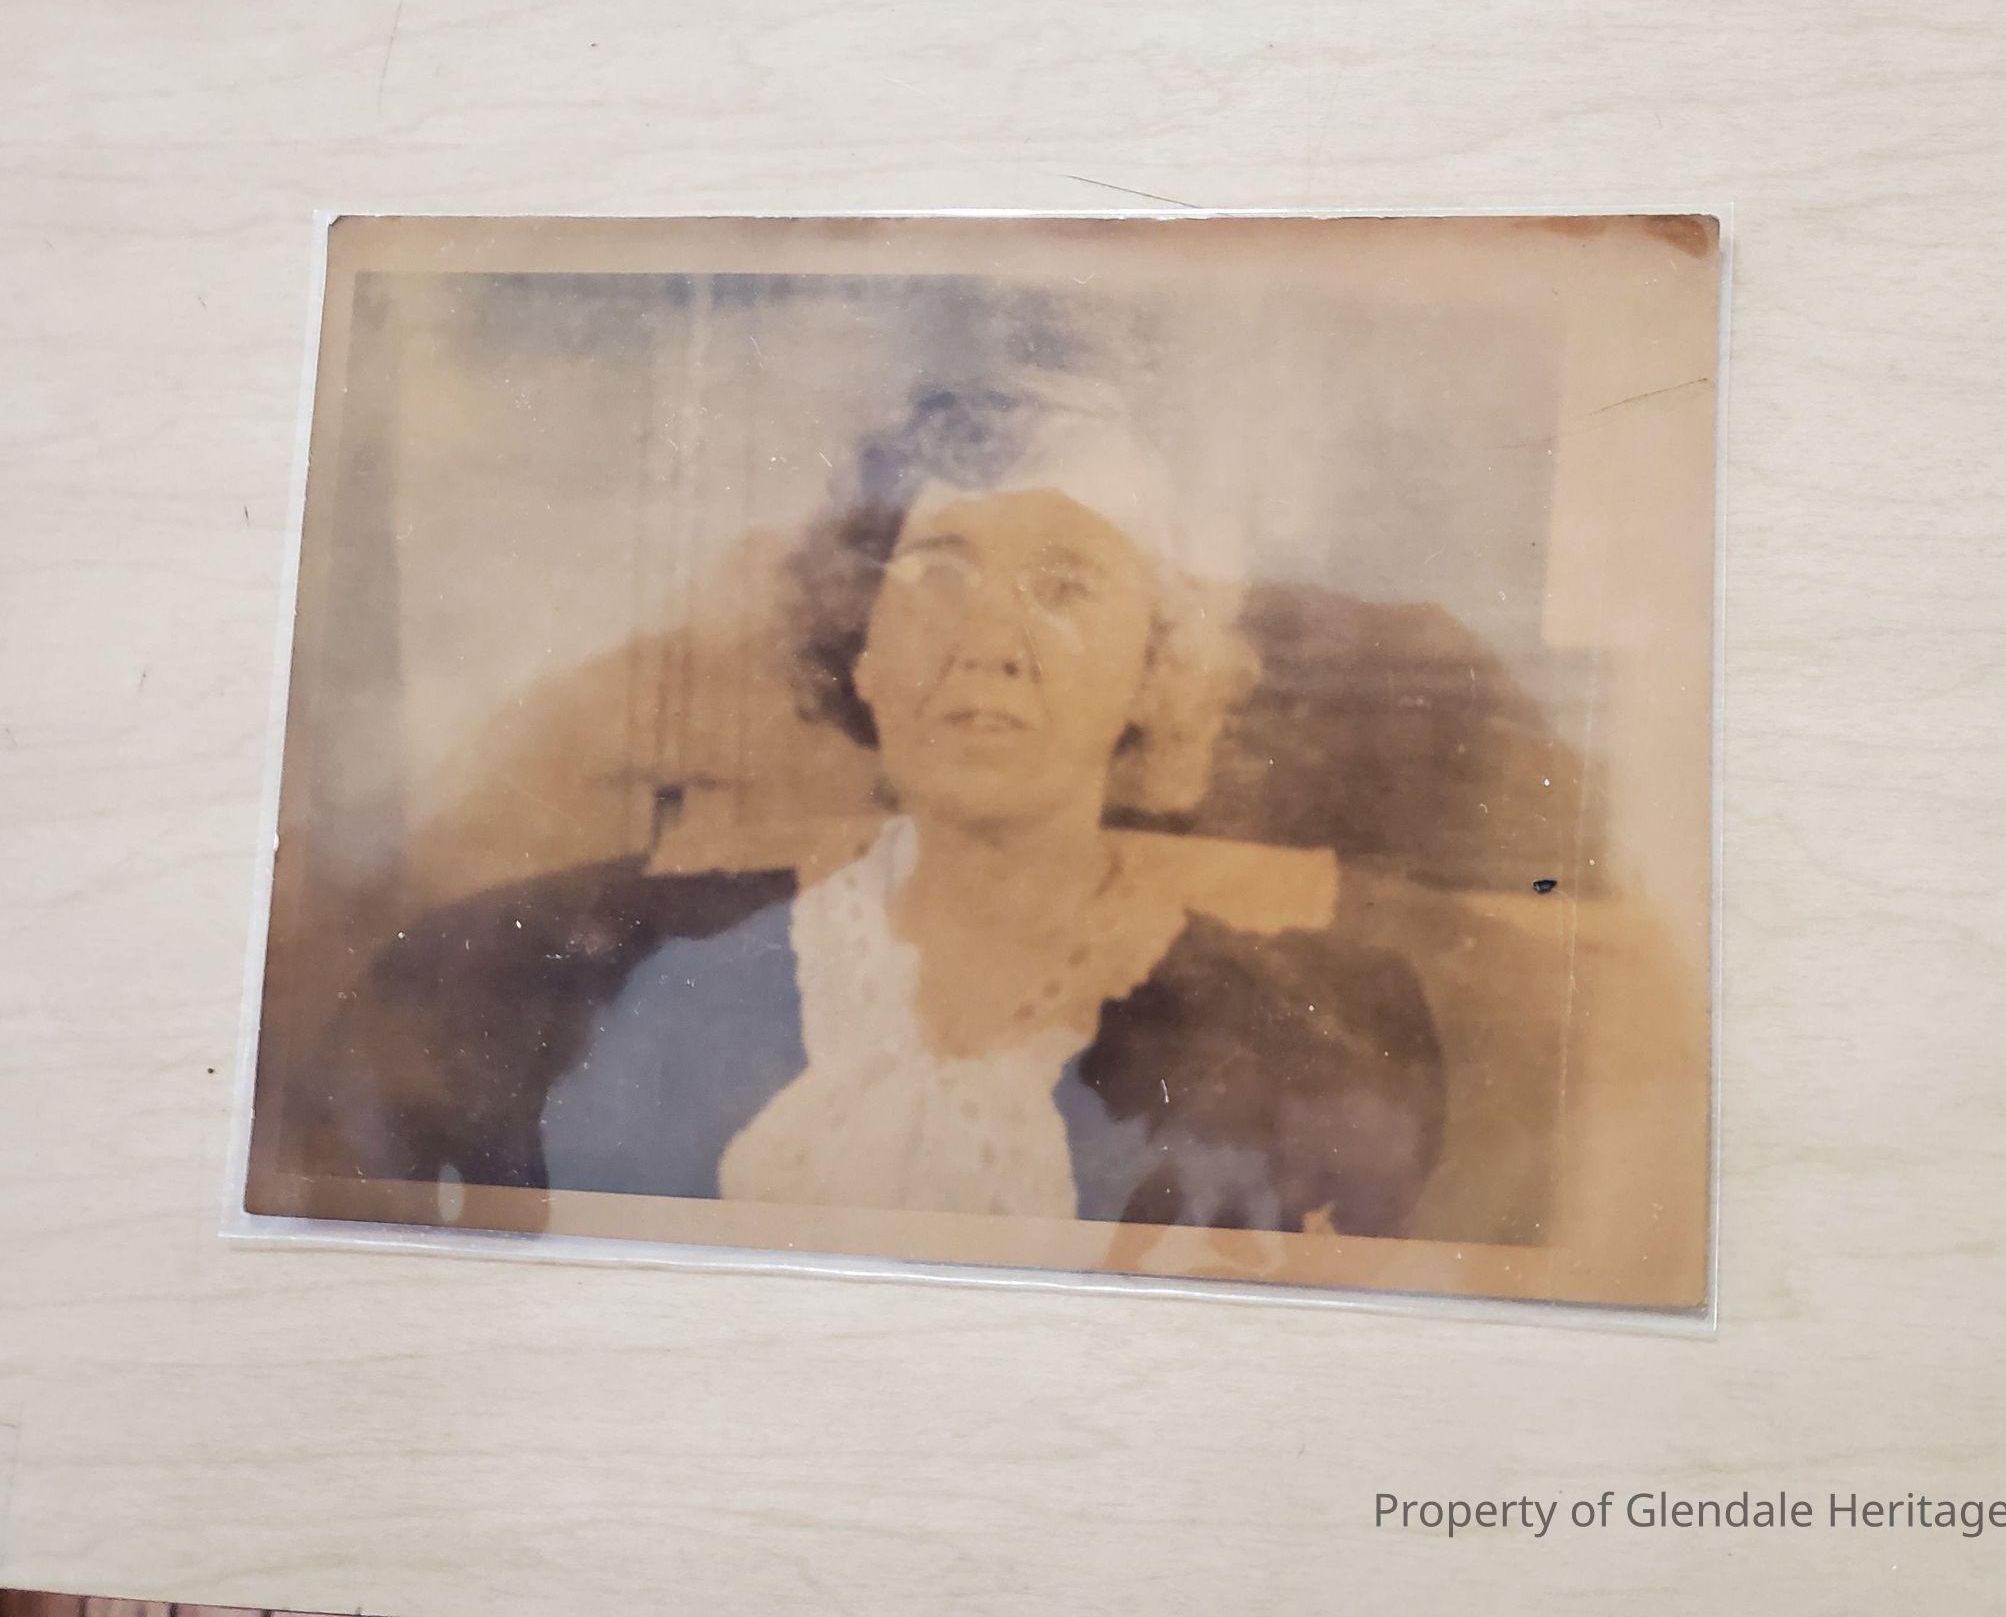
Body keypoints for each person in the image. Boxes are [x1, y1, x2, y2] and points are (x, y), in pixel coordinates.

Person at [307, 369, 1446, 1237]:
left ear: (1158, 668)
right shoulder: (658, 984)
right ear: (866, 651)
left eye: (1063, 585)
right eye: (939, 573)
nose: (988, 641)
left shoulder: (1296, 1045)